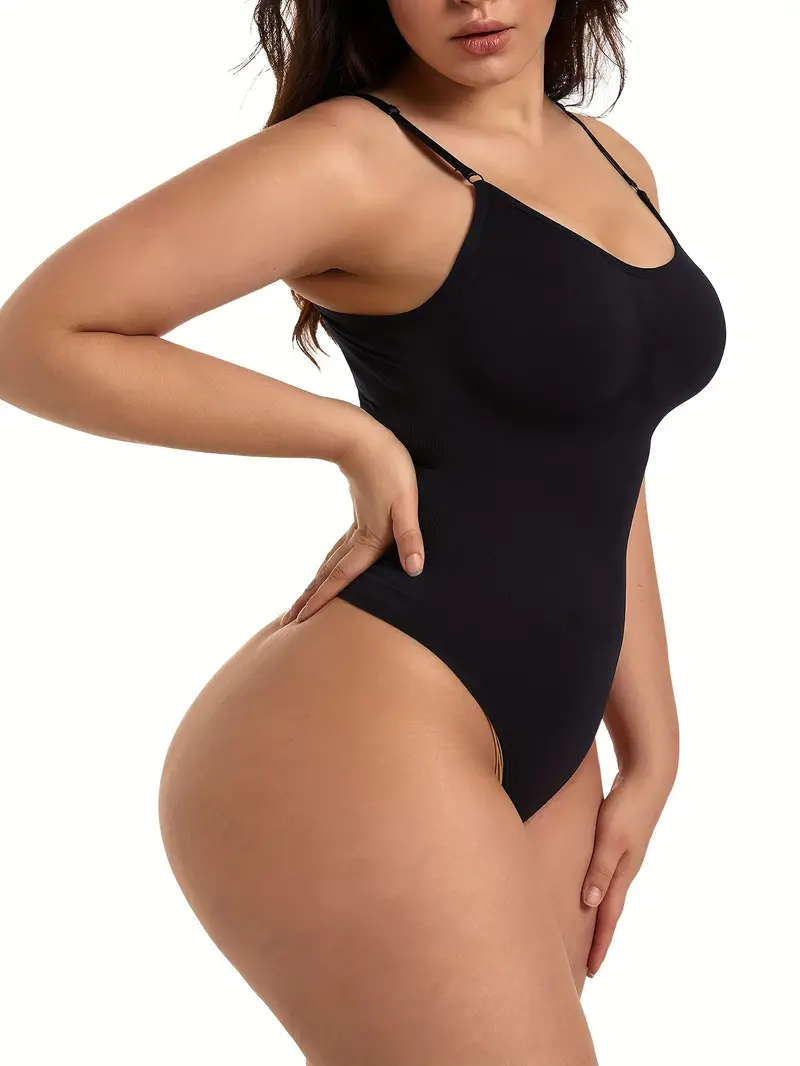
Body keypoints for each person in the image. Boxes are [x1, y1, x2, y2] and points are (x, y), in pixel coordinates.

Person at [0, 2, 726, 1063]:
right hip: (372, 731)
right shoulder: (355, 156)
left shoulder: (615, 161)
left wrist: (652, 745)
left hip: (546, 738)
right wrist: (344, 434)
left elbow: (603, 458)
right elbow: (36, 339)